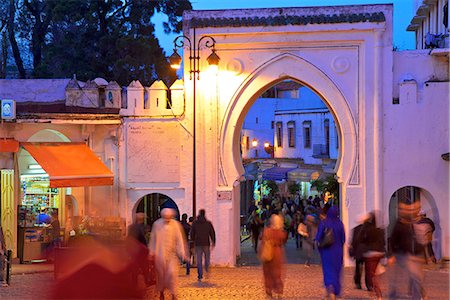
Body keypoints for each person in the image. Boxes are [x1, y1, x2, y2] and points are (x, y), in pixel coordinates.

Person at [388, 201, 427, 300]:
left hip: (416, 254)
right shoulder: (400, 223)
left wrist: (424, 255)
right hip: (402, 254)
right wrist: (391, 255)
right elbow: (392, 239)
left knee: (416, 278)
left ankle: (417, 297)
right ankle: (393, 296)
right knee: (398, 279)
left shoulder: (418, 221)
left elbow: (422, 239)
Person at [149, 208, 187, 300]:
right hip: (160, 254)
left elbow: (179, 239)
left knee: (172, 274)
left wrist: (182, 252)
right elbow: (153, 239)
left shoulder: (176, 225)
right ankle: (161, 293)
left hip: (171, 255)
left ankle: (174, 294)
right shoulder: (157, 224)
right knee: (160, 276)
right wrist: (151, 252)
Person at [315, 206, 346, 300]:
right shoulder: (340, 224)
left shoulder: (324, 223)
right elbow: (343, 239)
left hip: (327, 251)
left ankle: (330, 290)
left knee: (328, 271)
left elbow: (318, 237)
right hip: (337, 252)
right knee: (337, 271)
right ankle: (335, 290)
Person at [359, 212, 386, 300]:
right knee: (376, 273)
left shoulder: (367, 229)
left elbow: (361, 239)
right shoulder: (380, 230)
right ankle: (377, 294)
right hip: (379, 253)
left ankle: (376, 294)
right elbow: (383, 243)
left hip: (370, 254)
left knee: (371, 275)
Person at [260, 213, 288, 298]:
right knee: (277, 274)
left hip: (267, 254)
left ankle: (268, 291)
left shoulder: (266, 231)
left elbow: (261, 240)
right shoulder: (280, 233)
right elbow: (284, 239)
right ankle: (279, 291)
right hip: (277, 254)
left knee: (267, 273)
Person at [190, 209, 216, 282]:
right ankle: (207, 269)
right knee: (207, 258)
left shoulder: (195, 223)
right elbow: (212, 233)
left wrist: (193, 240)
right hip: (206, 243)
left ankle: (200, 275)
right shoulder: (208, 223)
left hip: (198, 243)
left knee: (199, 260)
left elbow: (192, 233)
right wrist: (213, 241)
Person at [127, 212, 150, 286]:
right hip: (140, 250)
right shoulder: (142, 227)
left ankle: (134, 282)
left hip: (133, 249)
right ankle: (147, 280)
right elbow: (143, 239)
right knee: (144, 266)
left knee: (135, 267)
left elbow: (128, 238)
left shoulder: (131, 227)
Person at [348, 214, 369, 290]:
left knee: (358, 268)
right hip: (367, 251)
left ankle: (358, 283)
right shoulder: (369, 229)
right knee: (368, 269)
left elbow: (354, 241)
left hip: (359, 251)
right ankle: (368, 284)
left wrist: (353, 251)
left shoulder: (356, 229)